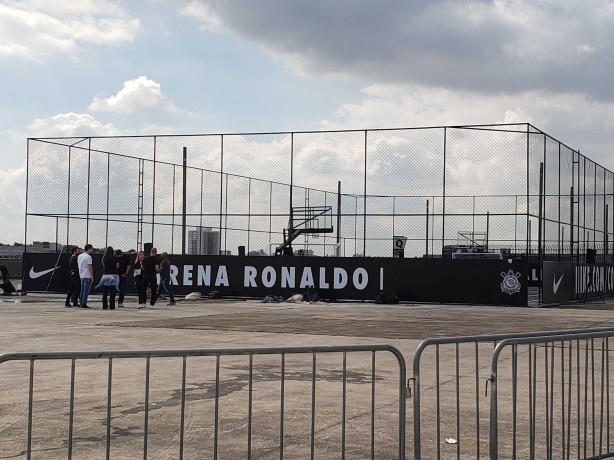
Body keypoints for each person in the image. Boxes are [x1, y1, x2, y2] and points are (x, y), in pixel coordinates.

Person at [77, 244, 94, 308]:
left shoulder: (80, 256)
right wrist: (92, 276)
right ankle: (84, 303)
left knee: (82, 289)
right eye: (92, 249)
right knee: (86, 290)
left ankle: (81, 302)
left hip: (81, 274)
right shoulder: (88, 257)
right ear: (89, 249)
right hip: (87, 275)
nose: (92, 250)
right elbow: (90, 267)